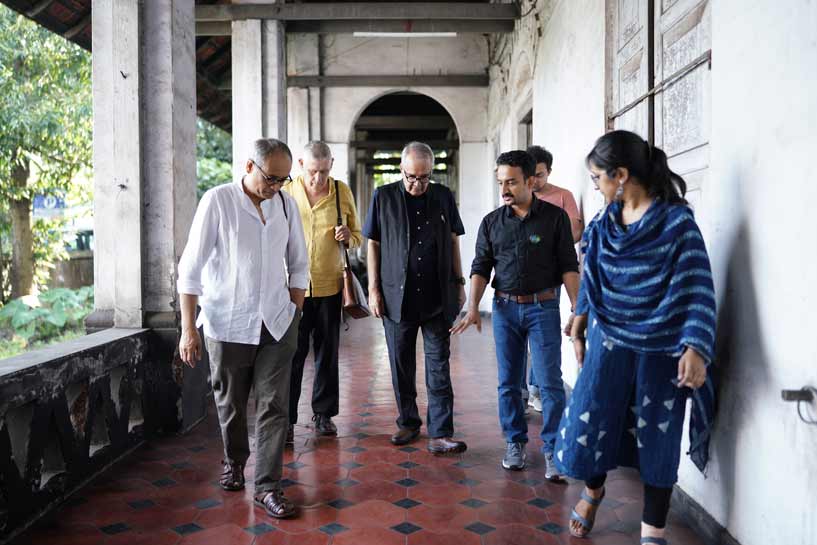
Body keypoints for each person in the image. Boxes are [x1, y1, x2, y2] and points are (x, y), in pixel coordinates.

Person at [555, 130, 716, 545]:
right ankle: (593, 491)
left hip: (663, 347)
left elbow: (698, 285)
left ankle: (652, 531)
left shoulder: (677, 224)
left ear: (621, 175)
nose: (597, 187)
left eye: (598, 179)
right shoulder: (603, 224)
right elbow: (591, 273)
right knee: (595, 419)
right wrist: (580, 317)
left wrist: (696, 347)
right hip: (609, 342)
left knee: (658, 436)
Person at [177, 138, 308, 520]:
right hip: (227, 323)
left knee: (274, 406)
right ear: (249, 166)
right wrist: (188, 329)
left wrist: (294, 312)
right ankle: (234, 461)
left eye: (284, 180)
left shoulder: (285, 204)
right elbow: (190, 269)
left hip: (277, 324)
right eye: (271, 178)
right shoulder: (217, 202)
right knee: (231, 402)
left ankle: (267, 486)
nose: (277, 187)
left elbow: (299, 263)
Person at [452, 150, 579, 478]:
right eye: (500, 183)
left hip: (543, 307)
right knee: (509, 383)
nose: (505, 189)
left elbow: (568, 265)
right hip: (505, 309)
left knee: (550, 382)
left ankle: (552, 448)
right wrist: (473, 307)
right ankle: (515, 442)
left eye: (511, 182)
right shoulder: (492, 222)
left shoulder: (554, 218)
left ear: (530, 181)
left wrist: (579, 309)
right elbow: (480, 266)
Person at [364, 141, 468, 455]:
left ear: (431, 173)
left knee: (439, 366)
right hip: (398, 298)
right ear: (401, 170)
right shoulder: (383, 197)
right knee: (401, 365)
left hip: (437, 297)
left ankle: (440, 432)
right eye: (411, 177)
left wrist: (459, 283)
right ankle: (408, 423)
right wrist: (373, 289)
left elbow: (452, 242)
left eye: (423, 178)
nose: (417, 184)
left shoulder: (443, 196)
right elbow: (374, 245)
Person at [282, 142, 363, 441]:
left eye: (324, 171)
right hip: (294, 289)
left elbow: (357, 237)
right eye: (313, 171)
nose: (318, 178)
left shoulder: (341, 192)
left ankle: (324, 414)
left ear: (332, 164)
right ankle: (287, 419)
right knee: (292, 354)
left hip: (330, 286)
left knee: (327, 354)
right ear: (302, 164)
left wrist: (348, 236)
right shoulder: (287, 193)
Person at [525, 145, 583, 416]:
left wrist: (544, 243)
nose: (535, 181)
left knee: (544, 329)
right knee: (521, 333)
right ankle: (526, 389)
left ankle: (536, 388)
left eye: (540, 174)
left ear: (549, 171)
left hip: (554, 272)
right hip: (522, 274)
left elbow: (575, 230)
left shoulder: (563, 196)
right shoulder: (519, 196)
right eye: (531, 174)